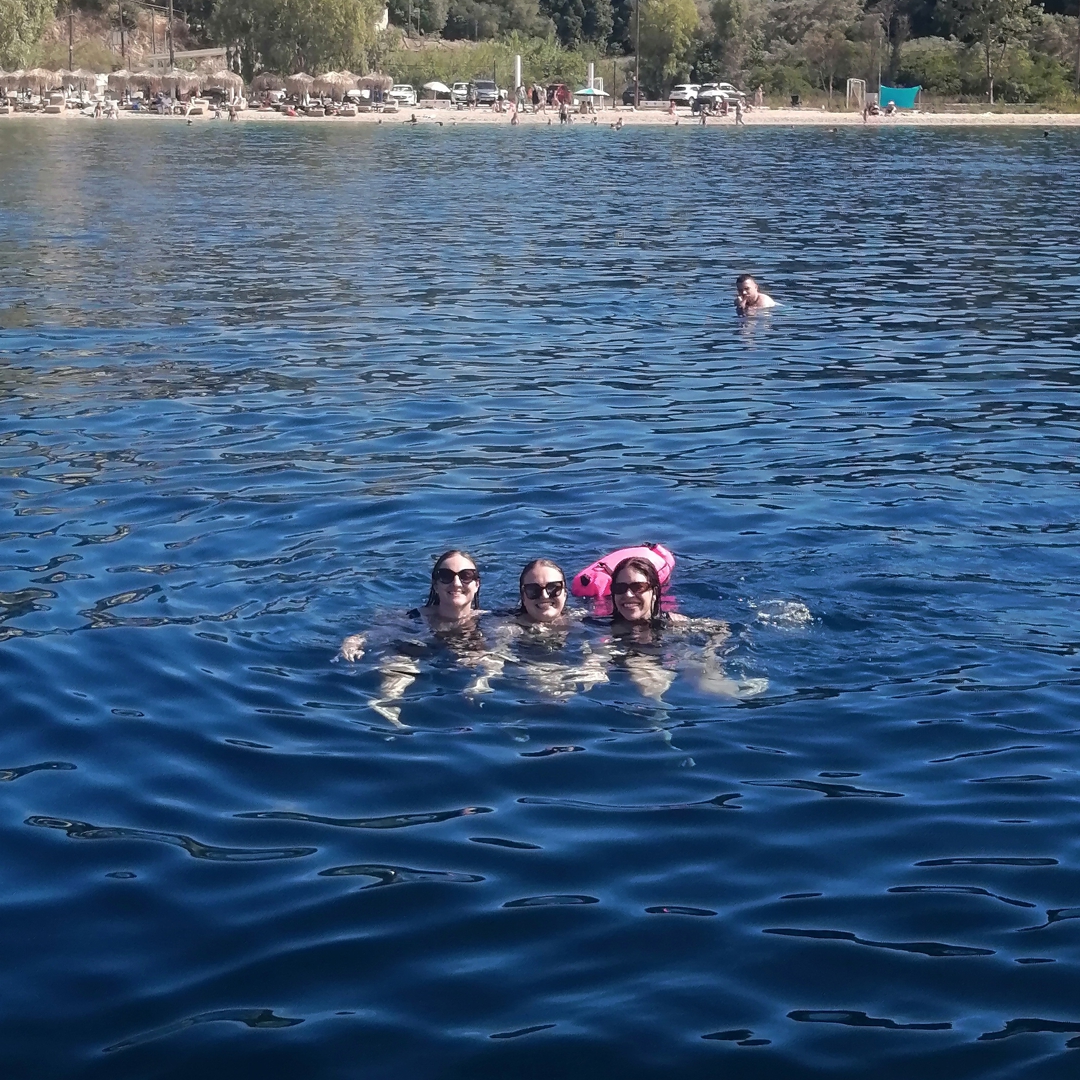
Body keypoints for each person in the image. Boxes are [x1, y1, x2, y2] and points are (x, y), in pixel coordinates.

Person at [339, 550, 499, 725]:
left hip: (467, 652)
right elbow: (376, 633)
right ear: (436, 585)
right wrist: (354, 640)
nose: (456, 583)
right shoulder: (414, 617)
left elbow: (511, 637)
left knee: (494, 657)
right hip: (423, 646)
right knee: (399, 658)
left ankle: (479, 686)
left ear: (477, 584)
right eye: (446, 576)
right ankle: (387, 701)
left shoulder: (490, 619)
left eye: (466, 576)